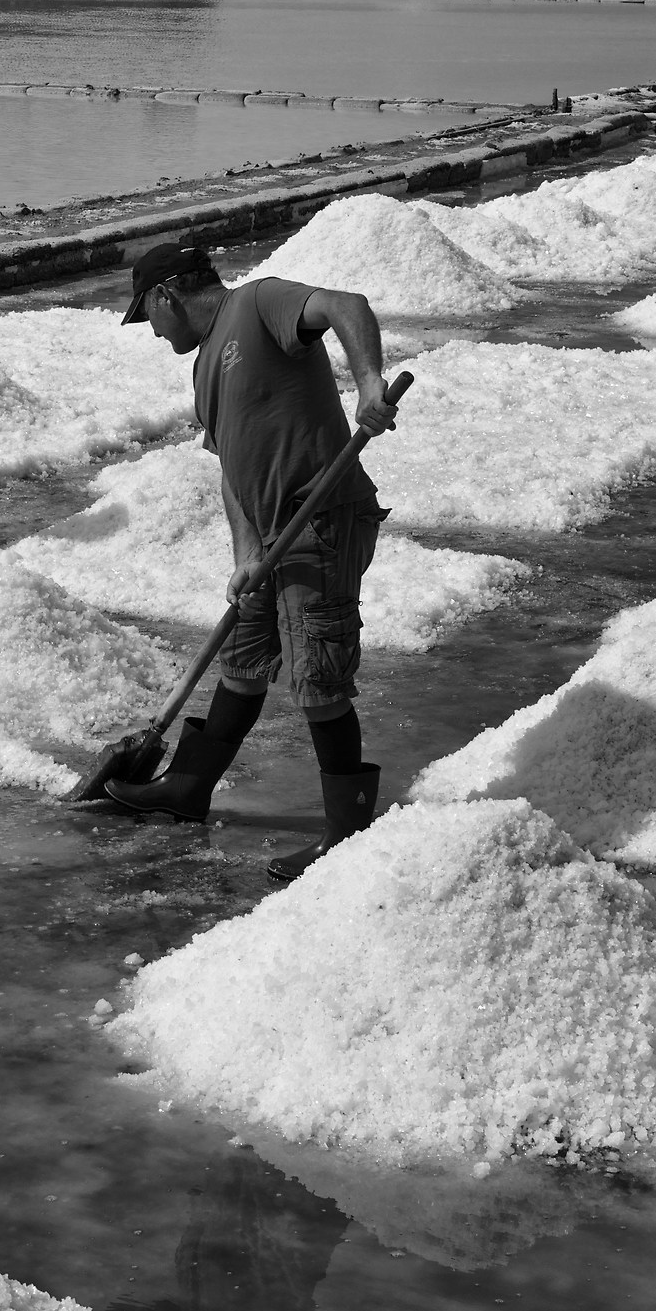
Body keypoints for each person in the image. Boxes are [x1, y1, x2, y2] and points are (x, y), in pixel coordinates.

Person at [114, 239, 396, 882]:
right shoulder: (203, 368)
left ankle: (346, 836)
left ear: (167, 296)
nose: (153, 332)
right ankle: (188, 787)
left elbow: (346, 305)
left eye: (147, 316)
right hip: (269, 538)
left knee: (316, 675)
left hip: (318, 517)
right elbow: (231, 468)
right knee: (242, 661)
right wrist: (245, 550)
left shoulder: (259, 303)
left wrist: (370, 381)